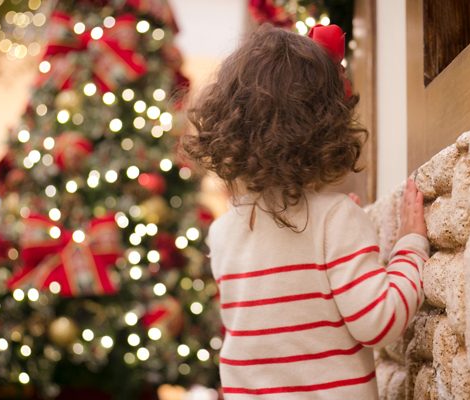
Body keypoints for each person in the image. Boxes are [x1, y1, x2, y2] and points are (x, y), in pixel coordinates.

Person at [181, 23, 429, 399]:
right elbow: (379, 322)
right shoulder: (336, 219)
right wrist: (410, 246)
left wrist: (338, 234)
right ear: (327, 126)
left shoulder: (222, 232)